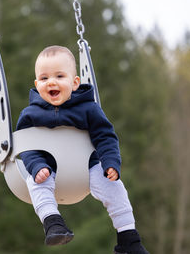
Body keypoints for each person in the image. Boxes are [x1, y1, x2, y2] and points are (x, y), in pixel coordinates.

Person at [16, 45, 149, 254]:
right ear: (36, 84)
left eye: (59, 76)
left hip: (87, 167)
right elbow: (26, 147)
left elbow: (105, 137)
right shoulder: (30, 114)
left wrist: (111, 162)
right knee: (35, 182)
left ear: (75, 82)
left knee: (114, 187)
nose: (51, 82)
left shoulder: (89, 109)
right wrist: (37, 165)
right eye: (44, 79)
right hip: (48, 168)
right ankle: (53, 223)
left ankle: (128, 239)